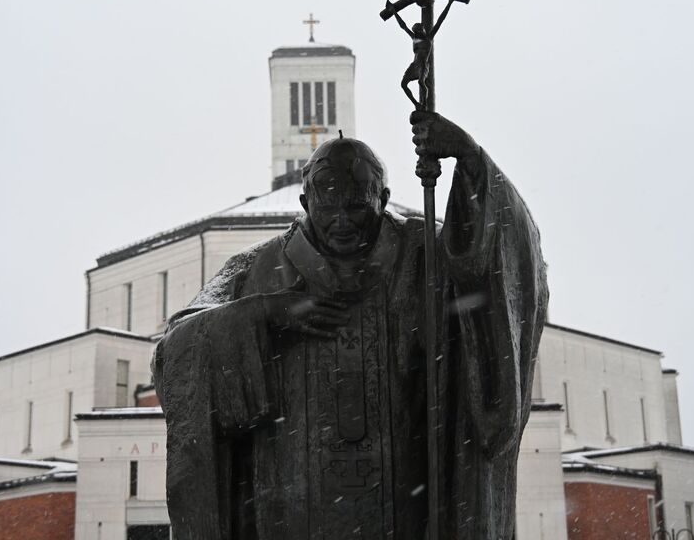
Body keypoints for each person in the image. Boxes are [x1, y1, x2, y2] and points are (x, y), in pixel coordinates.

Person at [152, 111, 548, 540]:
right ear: (305, 203)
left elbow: (497, 263)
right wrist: (264, 314)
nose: (342, 219)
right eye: (328, 204)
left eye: (357, 205)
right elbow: (175, 353)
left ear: (383, 198)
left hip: (406, 510)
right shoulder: (258, 270)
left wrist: (470, 159)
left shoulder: (425, 257)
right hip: (288, 509)